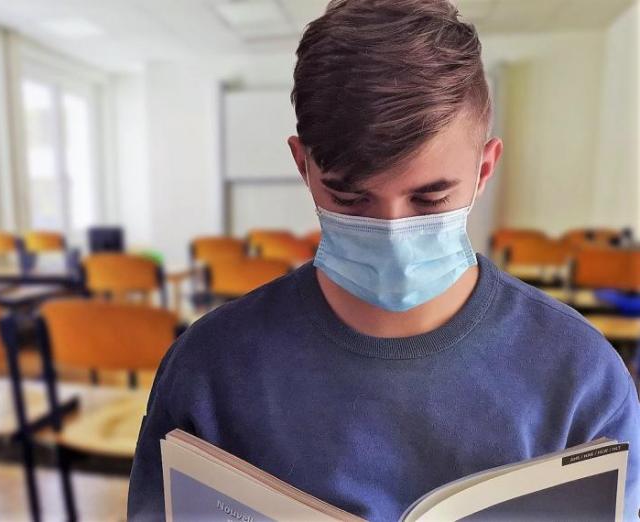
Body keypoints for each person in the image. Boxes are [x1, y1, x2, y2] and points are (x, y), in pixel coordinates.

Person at [128, 0, 640, 519]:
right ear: (303, 166)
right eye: (351, 200)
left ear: (484, 169)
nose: (393, 231)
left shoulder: (582, 376)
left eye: (429, 200)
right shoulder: (209, 368)